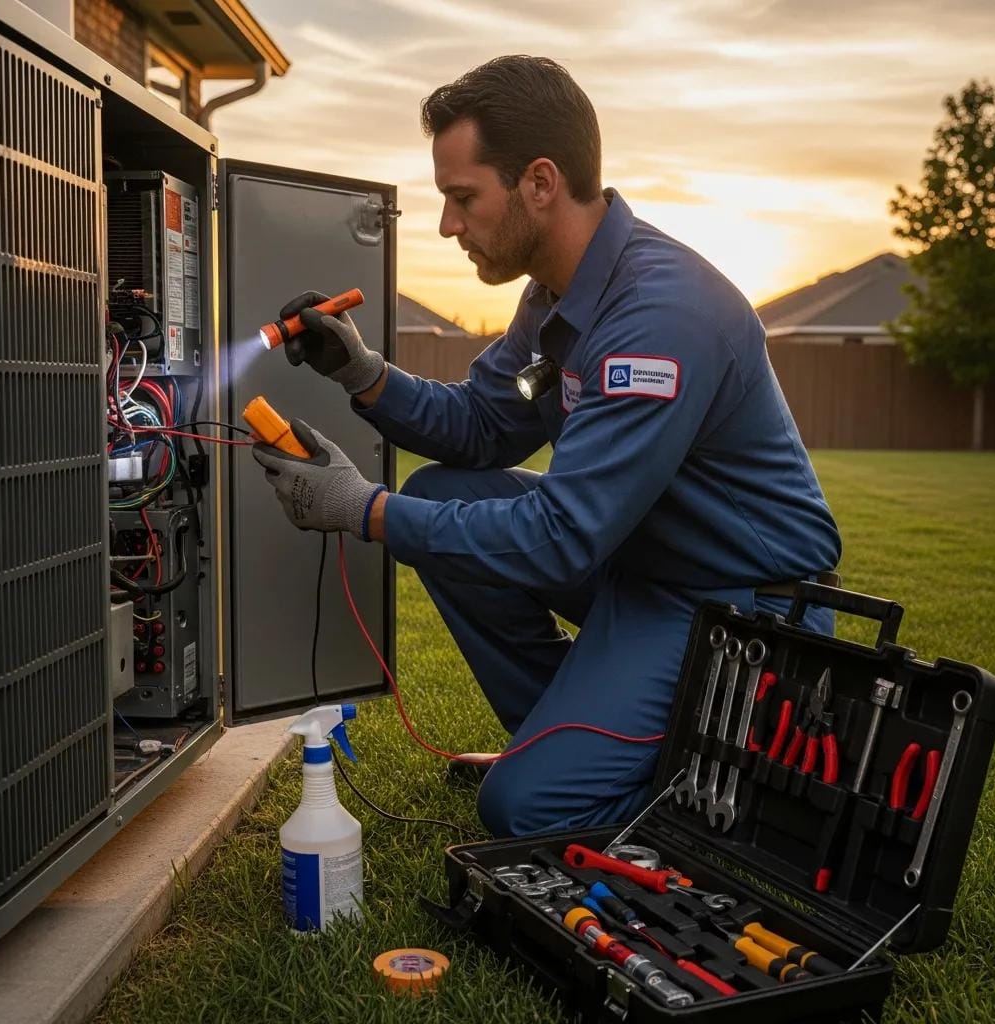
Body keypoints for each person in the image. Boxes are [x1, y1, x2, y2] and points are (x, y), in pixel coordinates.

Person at [252, 55, 841, 838]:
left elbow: (563, 538)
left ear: (539, 182)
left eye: (463, 199)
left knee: (525, 807)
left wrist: (362, 510)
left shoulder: (660, 316)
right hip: (643, 564)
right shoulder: (555, 294)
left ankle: (744, 799)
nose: (447, 226)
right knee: (438, 494)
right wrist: (362, 373)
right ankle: (560, 737)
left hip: (739, 602)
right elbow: (482, 426)